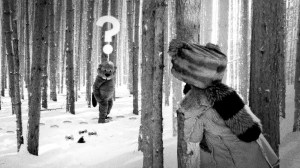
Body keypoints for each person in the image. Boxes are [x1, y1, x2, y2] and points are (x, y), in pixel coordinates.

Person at [169, 39, 279, 168]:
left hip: (236, 158)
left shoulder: (192, 103)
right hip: (249, 154)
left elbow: (193, 137)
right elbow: (252, 131)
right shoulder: (226, 94)